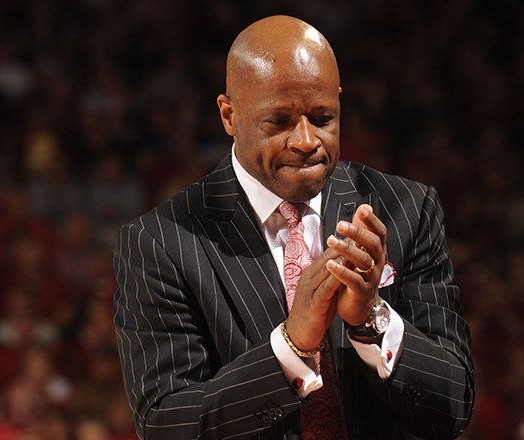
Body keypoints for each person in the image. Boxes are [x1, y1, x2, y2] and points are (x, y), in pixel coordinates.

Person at [113, 15, 474, 440]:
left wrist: (370, 321)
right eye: (279, 121)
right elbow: (165, 424)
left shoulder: (406, 209)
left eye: (323, 118)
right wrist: (291, 346)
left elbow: (453, 406)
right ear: (229, 115)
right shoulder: (161, 242)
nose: (306, 140)